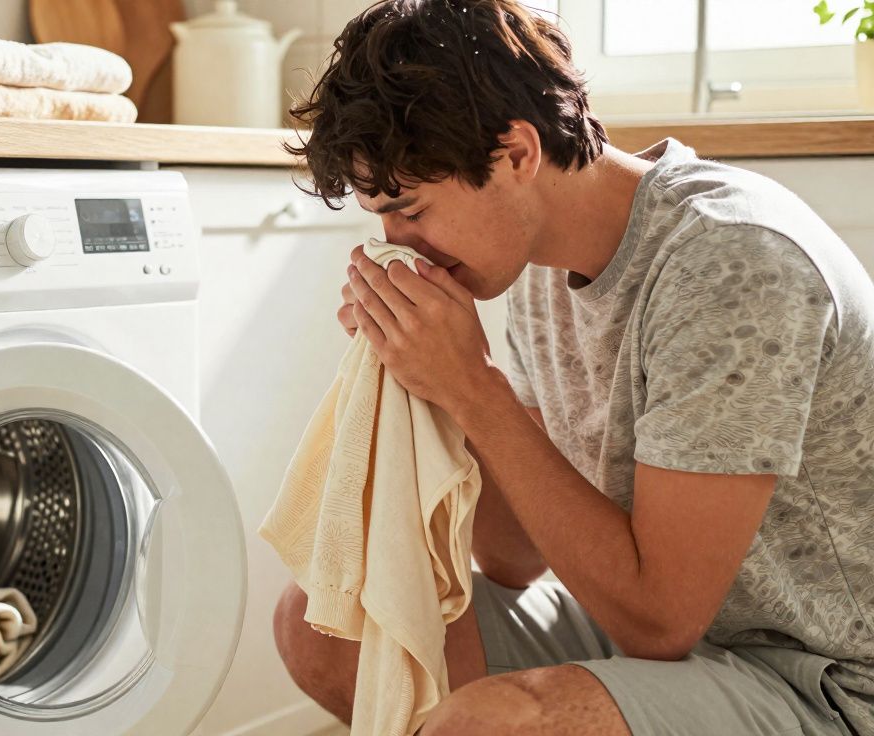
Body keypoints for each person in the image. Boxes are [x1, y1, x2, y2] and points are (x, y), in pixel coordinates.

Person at [271, 1, 874, 734]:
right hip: (676, 641)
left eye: (411, 210)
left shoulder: (731, 261)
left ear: (518, 154)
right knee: (324, 625)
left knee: (491, 723)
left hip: (826, 682)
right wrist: (430, 381)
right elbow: (512, 556)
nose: (398, 244)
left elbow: (660, 622)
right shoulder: (535, 268)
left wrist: (474, 386)